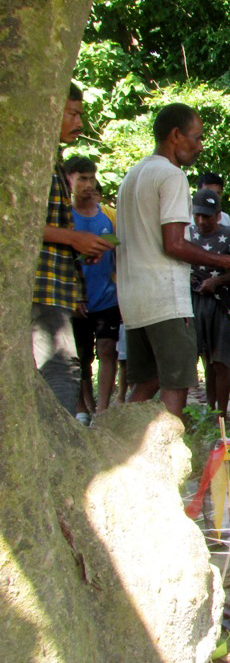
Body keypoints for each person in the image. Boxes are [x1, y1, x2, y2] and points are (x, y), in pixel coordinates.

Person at [116, 103, 230, 419]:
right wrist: (229, 262)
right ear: (176, 135)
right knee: (176, 383)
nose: (200, 145)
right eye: (197, 137)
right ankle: (170, 455)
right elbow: (175, 244)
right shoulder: (171, 175)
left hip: (133, 299)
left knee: (148, 380)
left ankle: (117, 442)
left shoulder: (131, 176)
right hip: (164, 299)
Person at [32, 83, 114, 415]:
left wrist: (79, 250)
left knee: (66, 370)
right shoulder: (33, 160)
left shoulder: (51, 160)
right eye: (73, 113)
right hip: (41, 291)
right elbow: (18, 227)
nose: (79, 122)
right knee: (60, 372)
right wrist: (73, 239)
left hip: (57, 288)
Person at [65, 156, 120, 421]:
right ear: (69, 180)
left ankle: (103, 409)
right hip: (76, 300)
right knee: (81, 357)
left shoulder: (108, 216)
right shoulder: (64, 216)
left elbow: (119, 252)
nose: (88, 184)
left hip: (107, 297)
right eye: (82, 178)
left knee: (108, 348)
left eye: (91, 178)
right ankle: (83, 408)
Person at [189, 187, 230, 417]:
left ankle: (223, 412)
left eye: (207, 216)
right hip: (194, 303)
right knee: (206, 361)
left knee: (222, 361)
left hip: (223, 305)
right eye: (197, 215)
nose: (201, 221)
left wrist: (218, 281)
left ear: (218, 215)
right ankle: (211, 412)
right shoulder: (186, 235)